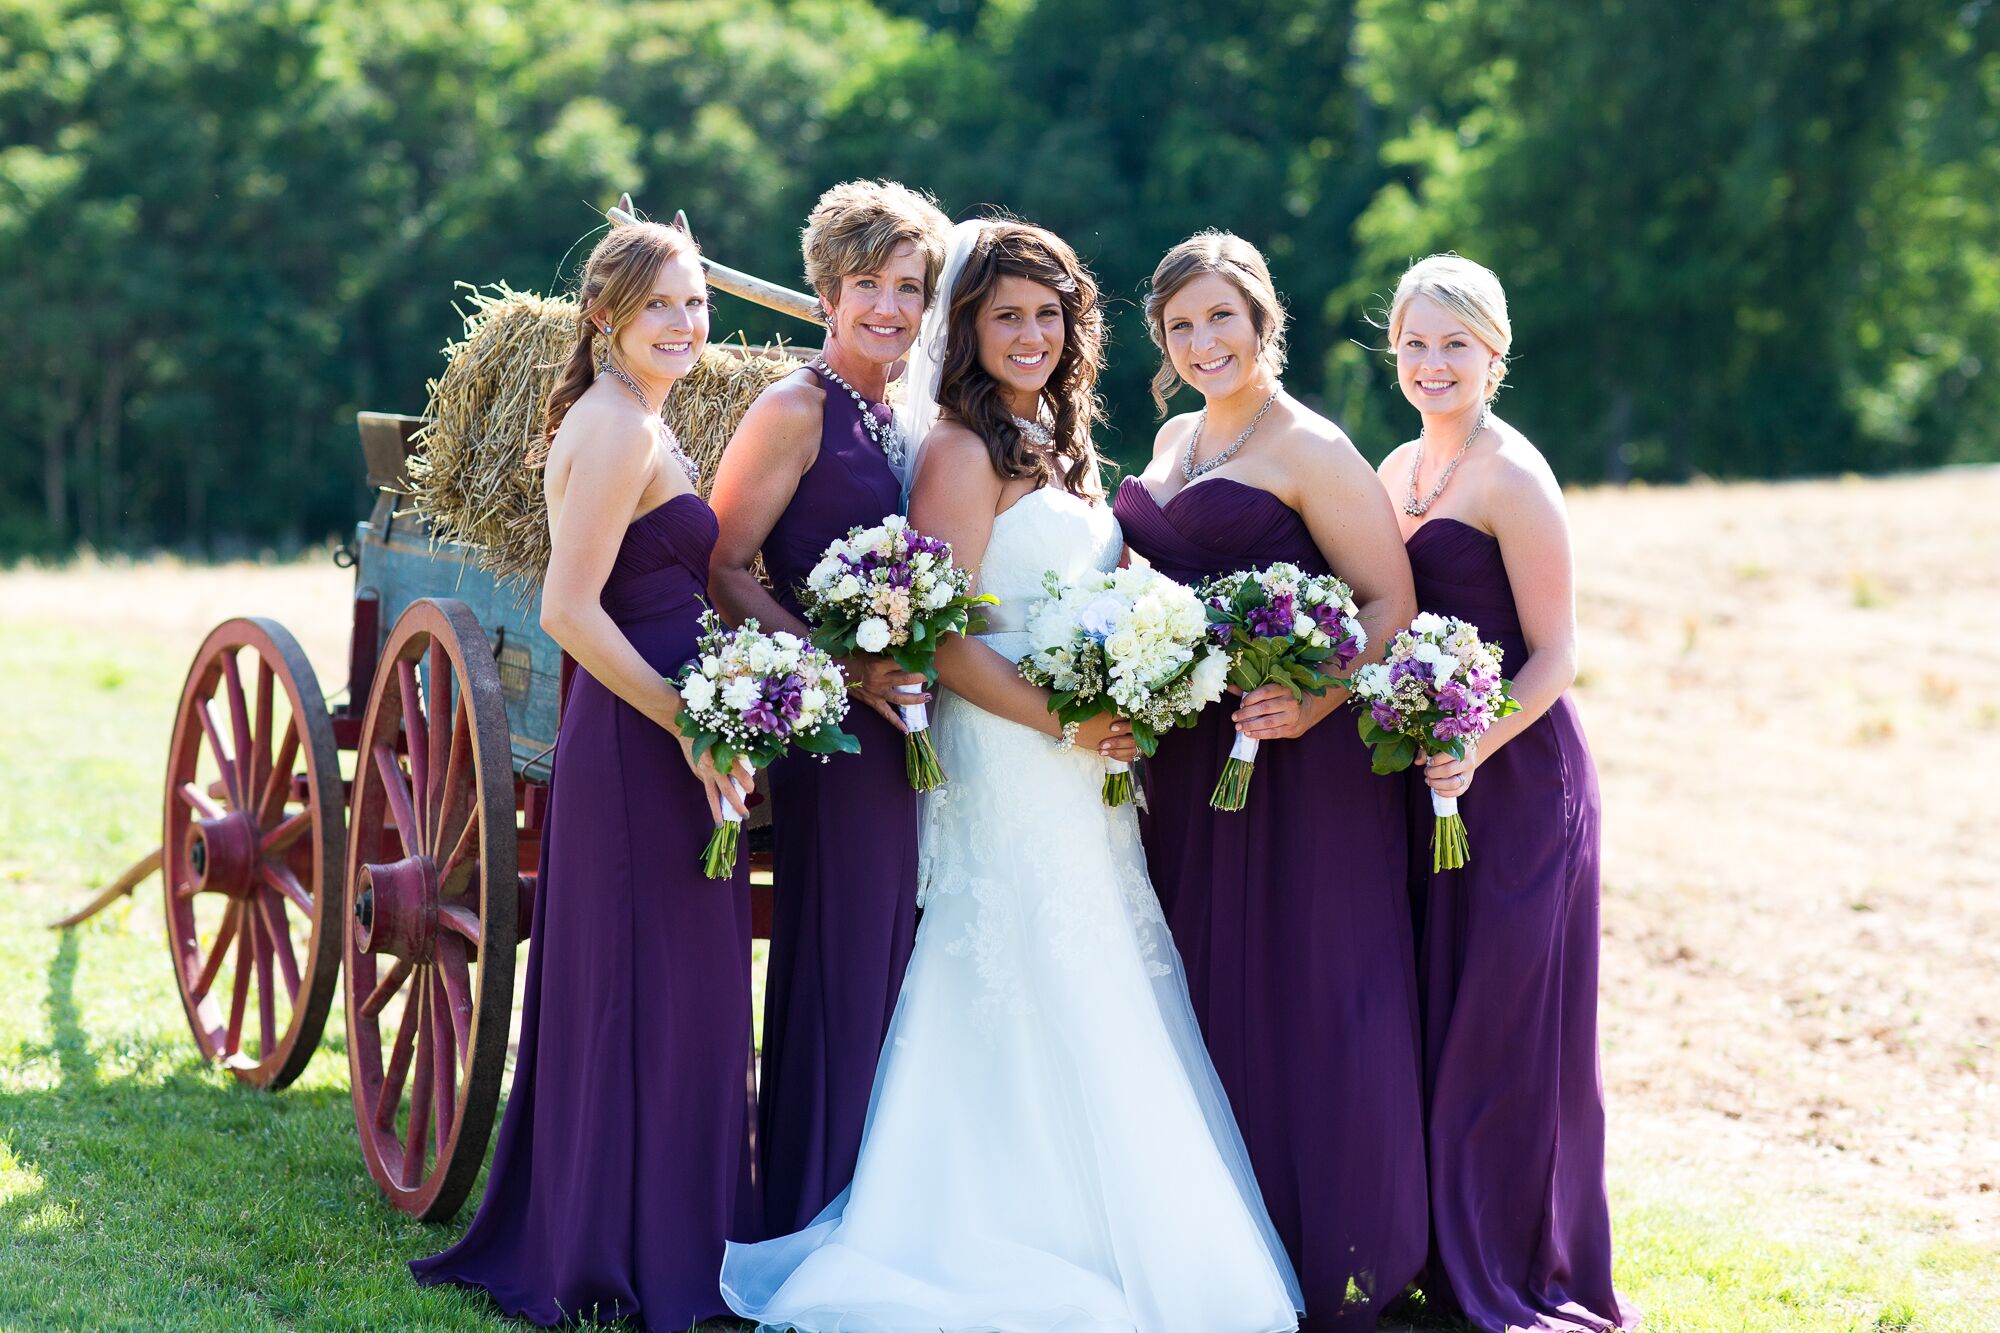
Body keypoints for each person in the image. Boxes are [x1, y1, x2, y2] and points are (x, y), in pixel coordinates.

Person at [720, 219, 1303, 1333]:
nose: (1028, 334)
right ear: (970, 330)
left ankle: (1117, 1229)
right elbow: (942, 643)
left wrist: (1142, 666)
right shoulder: (956, 448)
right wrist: (1070, 723)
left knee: (1098, 966)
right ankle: (996, 1230)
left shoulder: (1059, 440)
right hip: (1011, 751)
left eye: (1046, 314)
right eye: (1005, 316)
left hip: (1083, 764)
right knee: (1020, 964)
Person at [410, 212, 757, 1328]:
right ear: (604, 317)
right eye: (660, 303)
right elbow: (566, 608)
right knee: (637, 978)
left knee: (680, 979)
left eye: (696, 301)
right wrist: (682, 721)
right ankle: (617, 1241)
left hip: (673, 731)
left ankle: (670, 1227)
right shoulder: (612, 428)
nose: (685, 322)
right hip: (635, 734)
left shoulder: (644, 421)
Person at [1112, 230, 1427, 1329]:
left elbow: (1387, 599)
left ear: (1261, 320)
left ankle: (1336, 1242)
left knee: (1308, 982)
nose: (1204, 342)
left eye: (1221, 319)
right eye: (1181, 325)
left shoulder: (1311, 448)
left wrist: (1316, 699)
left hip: (1297, 756)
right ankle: (1224, 1246)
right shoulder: (1169, 436)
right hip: (1189, 752)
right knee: (1203, 978)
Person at [1376, 252, 1634, 1332]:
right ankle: (1435, 1253)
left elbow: (1554, 653)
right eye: (1415, 343)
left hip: (1515, 780)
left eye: (1455, 344)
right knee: (1435, 1013)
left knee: (1503, 1020)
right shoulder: (1393, 470)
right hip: (1420, 778)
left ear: (1494, 352)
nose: (1433, 364)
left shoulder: (1512, 474)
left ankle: (1519, 1262)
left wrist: (1474, 745)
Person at [707, 179, 950, 1239]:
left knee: (909, 953)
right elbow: (718, 562)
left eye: (908, 287)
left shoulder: (911, 413)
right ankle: (817, 1195)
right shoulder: (794, 408)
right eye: (867, 285)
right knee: (847, 952)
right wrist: (834, 670)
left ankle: (901, 1194)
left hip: (921, 725)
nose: (888, 307)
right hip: (837, 733)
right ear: (824, 292)